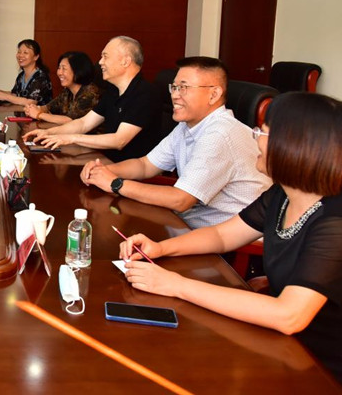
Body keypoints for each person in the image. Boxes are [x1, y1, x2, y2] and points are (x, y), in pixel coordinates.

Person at [119, 92, 342, 382]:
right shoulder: (282, 194)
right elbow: (223, 235)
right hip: (280, 343)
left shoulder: (334, 222)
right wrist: (161, 248)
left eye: (262, 132)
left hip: (320, 367)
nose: (254, 138)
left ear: (295, 145)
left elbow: (289, 315)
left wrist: (176, 285)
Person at [80, 57, 271, 228]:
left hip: (227, 243)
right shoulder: (187, 125)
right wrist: (103, 171)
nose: (175, 95)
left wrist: (116, 184)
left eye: (184, 88)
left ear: (213, 94)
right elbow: (145, 165)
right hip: (188, 224)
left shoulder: (220, 134)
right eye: (174, 87)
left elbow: (181, 200)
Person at [23, 36, 162, 162]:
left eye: (105, 57)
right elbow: (83, 123)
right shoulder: (113, 91)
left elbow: (119, 140)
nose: (100, 62)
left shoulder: (145, 93)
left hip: (132, 171)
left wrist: (71, 138)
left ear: (125, 61)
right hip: (106, 160)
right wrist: (48, 133)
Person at [23, 51, 100, 125]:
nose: (59, 72)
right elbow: (48, 107)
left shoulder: (90, 93)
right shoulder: (67, 91)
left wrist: (39, 115)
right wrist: (34, 109)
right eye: (59, 68)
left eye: (64, 69)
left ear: (78, 71)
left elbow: (70, 121)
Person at [0, 39, 52, 106]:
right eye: (19, 52)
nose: (20, 55)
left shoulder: (41, 77)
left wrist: (5, 96)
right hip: (21, 112)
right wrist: (0, 92)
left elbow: (30, 102)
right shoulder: (21, 75)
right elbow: (15, 94)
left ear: (36, 57)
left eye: (25, 53)